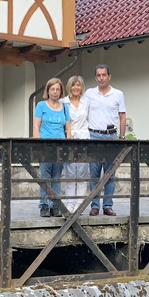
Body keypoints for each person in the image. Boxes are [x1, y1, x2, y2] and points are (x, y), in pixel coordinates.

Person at [84, 64, 126, 216]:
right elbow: (82, 111)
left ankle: (107, 205)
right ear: (95, 78)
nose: (101, 78)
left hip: (111, 136)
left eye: (104, 75)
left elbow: (122, 116)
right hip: (94, 136)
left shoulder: (118, 94)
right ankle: (94, 206)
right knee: (94, 174)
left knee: (110, 174)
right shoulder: (89, 93)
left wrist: (122, 137)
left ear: (109, 76)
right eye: (98, 75)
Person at [32, 77, 70, 216]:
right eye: (52, 89)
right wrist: (38, 143)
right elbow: (36, 126)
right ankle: (44, 205)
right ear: (47, 91)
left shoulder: (64, 107)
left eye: (57, 89)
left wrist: (68, 144)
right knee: (45, 175)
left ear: (61, 92)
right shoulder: (41, 105)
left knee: (57, 176)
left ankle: (55, 204)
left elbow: (68, 129)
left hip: (59, 145)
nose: (55, 92)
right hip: (45, 145)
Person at [62, 75, 91, 203]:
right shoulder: (63, 102)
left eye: (78, 85)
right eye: (73, 85)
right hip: (69, 137)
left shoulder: (87, 102)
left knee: (82, 173)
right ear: (69, 86)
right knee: (70, 172)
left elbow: (89, 119)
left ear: (82, 87)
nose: (76, 87)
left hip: (84, 138)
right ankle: (69, 203)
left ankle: (80, 203)